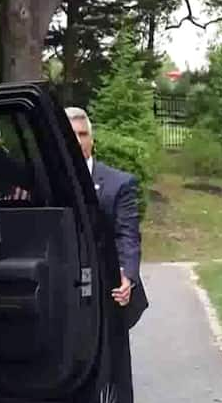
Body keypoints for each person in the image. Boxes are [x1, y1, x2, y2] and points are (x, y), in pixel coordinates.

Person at [64, 107, 148, 326]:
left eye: (83, 135)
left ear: (91, 140)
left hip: (106, 292)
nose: (78, 141)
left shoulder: (118, 183)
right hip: (62, 291)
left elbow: (128, 235)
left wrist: (126, 275)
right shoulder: (46, 179)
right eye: (71, 135)